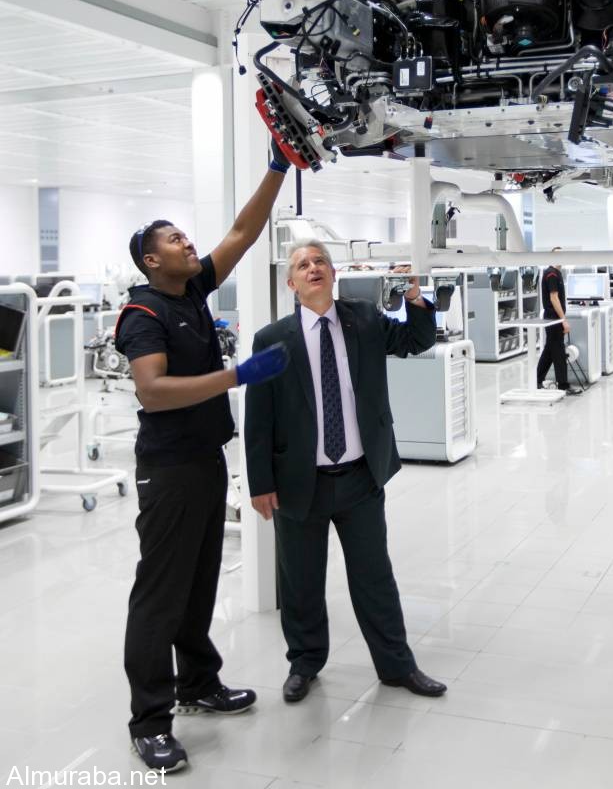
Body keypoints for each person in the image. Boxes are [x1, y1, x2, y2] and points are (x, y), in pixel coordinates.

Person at [114, 138, 294, 773]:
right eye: (175, 239)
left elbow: (244, 232)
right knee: (160, 594)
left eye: (188, 236)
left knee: (198, 584)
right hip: (167, 469)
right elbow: (153, 391)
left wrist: (278, 165)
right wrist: (236, 377)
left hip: (205, 459)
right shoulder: (144, 311)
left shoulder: (190, 292)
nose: (189, 243)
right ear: (149, 259)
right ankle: (150, 721)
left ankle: (197, 683)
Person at [244, 241, 448, 704]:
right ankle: (304, 663)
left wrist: (415, 299)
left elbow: (418, 341)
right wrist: (260, 483)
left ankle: (397, 666)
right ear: (291, 283)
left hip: (359, 477)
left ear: (333, 275)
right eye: (302, 264)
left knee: (374, 576)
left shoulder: (365, 320)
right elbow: (258, 417)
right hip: (299, 482)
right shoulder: (271, 339)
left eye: (319, 262)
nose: (312, 268)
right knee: (300, 581)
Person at [536, 253, 580, 395]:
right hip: (554, 318)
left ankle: (537, 380)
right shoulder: (552, 274)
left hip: (553, 318)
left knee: (550, 350)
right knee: (559, 352)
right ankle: (563, 385)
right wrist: (563, 320)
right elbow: (554, 298)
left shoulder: (556, 273)